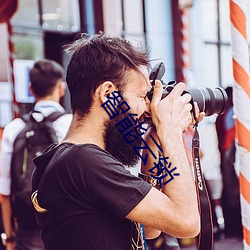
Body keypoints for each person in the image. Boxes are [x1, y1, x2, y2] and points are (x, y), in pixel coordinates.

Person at [31, 33, 202, 250]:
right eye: (141, 96)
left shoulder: (67, 158)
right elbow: (186, 222)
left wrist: (152, 143)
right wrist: (171, 131)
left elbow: (150, 229)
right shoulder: (83, 162)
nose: (147, 109)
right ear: (108, 93)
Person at [0, 59, 72, 250]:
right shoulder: (71, 124)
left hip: (27, 233)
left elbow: (5, 191)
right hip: (67, 230)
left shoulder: (14, 128)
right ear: (60, 88)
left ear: (31, 89)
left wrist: (9, 239)